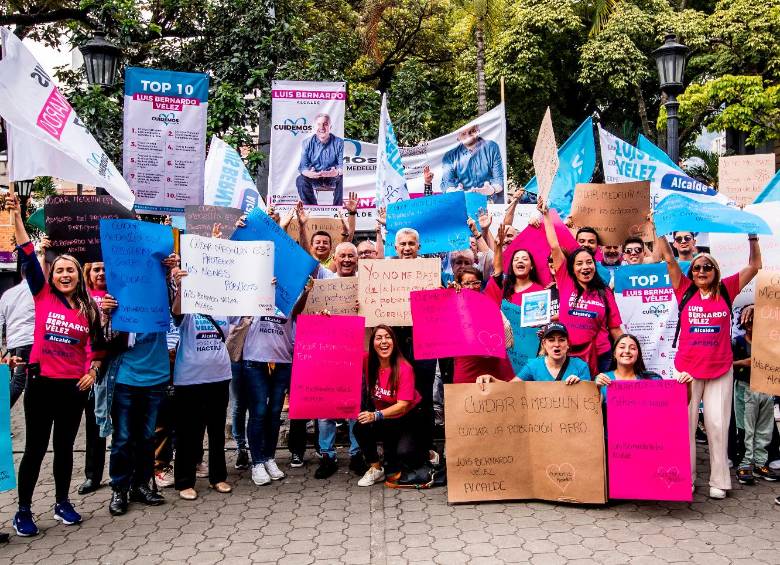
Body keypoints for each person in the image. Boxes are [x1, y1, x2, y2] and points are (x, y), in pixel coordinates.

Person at [5, 193, 104, 536]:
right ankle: (23, 511)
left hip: (73, 388)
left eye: (70, 271)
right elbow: (29, 257)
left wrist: (92, 371)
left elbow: (94, 347)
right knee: (34, 449)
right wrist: (18, 218)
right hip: (42, 383)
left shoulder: (88, 308)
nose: (65, 275)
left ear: (78, 276)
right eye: (60, 270)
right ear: (54, 275)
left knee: (64, 448)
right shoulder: (42, 294)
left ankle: (62, 503)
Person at [656, 231, 761, 499]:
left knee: (716, 424)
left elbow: (755, 266)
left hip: (720, 369)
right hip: (687, 371)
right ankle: (686, 479)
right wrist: (655, 228)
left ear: (716, 270)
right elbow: (668, 258)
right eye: (697, 267)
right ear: (691, 272)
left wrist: (752, 237)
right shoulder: (684, 288)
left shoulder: (727, 289)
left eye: (707, 267)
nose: (701, 270)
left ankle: (719, 481)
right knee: (686, 427)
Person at [170, 268, 233, 500]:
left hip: (220, 376)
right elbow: (175, 312)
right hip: (190, 379)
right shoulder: (188, 305)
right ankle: (185, 481)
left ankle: (218, 477)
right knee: (189, 433)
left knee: (217, 432)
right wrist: (181, 287)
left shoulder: (224, 306)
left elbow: (247, 310)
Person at [542, 201, 623, 374]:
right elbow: (555, 246)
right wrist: (546, 215)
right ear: (571, 268)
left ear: (595, 265)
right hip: (566, 354)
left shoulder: (605, 292)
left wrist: (627, 350)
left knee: (596, 398)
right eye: (579, 263)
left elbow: (615, 328)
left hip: (601, 355)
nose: (585, 267)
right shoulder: (565, 281)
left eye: (589, 262)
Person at [310, 243, 365, 479]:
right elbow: (310, 313)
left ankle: (356, 454)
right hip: (328, 354)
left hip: (356, 352)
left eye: (351, 256)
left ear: (357, 259)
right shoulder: (324, 282)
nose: (346, 260)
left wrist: (362, 307)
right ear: (335, 257)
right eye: (342, 255)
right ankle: (327, 455)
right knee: (326, 409)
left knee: (356, 407)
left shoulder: (365, 284)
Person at [353, 325, 426, 486]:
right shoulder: (367, 361)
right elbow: (343, 349)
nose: (384, 341)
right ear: (372, 343)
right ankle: (376, 469)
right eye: (379, 338)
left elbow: (402, 406)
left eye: (388, 337)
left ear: (394, 341)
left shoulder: (405, 368)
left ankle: (426, 452)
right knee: (360, 427)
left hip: (408, 418)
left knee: (404, 455)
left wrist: (375, 415)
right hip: (386, 418)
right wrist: (325, 320)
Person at [732, 313, 778, 485]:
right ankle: (744, 464)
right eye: (749, 324)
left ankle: (760, 463)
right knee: (746, 428)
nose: (752, 327)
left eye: (755, 323)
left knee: (765, 428)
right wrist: (743, 363)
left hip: (766, 387)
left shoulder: (768, 343)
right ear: (744, 325)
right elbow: (725, 363)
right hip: (746, 388)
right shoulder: (738, 342)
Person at [451, 267, 515, 383]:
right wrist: (445, 294)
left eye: (476, 283)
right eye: (467, 283)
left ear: (481, 284)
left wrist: (498, 249)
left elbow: (498, 272)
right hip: (466, 367)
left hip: (494, 365)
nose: (471, 287)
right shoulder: (453, 304)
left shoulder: (489, 298)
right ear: (459, 284)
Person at [78, 262, 108, 495]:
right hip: (88, 368)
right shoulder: (81, 299)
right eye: (96, 269)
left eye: (105, 269)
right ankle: (93, 475)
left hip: (116, 364)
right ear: (88, 274)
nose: (101, 273)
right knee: (94, 423)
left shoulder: (119, 295)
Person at [477, 322, 590, 385]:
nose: (556, 344)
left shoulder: (581, 366)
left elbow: (590, 400)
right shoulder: (533, 366)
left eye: (561, 340)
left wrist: (581, 385)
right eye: (551, 340)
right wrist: (492, 380)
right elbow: (510, 387)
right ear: (543, 344)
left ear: (568, 344)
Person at [440, 123, 505, 202]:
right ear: (457, 136)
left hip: (491, 203)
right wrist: (454, 191)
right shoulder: (449, 156)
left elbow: (499, 178)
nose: (468, 136)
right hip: (464, 204)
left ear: (477, 130)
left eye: (471, 131)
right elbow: (447, 182)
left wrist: (491, 189)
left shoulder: (491, 147)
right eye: (463, 133)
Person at [0, 264, 35, 407]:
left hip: (14, 343)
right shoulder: (36, 291)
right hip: (29, 341)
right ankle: (2, 415)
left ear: (21, 274)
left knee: (21, 381)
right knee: (19, 381)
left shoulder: (7, 294)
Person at [485, 225, 544, 305]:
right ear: (512, 266)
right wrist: (498, 247)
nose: (520, 261)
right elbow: (498, 271)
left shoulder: (539, 291)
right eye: (516, 259)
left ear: (531, 266)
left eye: (524, 259)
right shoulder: (504, 288)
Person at [295, 113, 344, 206]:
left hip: (333, 178)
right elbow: (303, 167)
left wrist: (336, 172)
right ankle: (312, 209)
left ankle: (337, 210)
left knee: (343, 179)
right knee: (300, 180)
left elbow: (342, 165)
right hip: (315, 178)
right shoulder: (306, 143)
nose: (322, 127)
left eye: (325, 124)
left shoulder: (339, 142)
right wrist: (309, 173)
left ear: (330, 126)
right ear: (314, 127)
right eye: (319, 124)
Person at [594, 334, 663, 395]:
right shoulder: (602, 380)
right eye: (622, 347)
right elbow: (592, 407)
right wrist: (596, 389)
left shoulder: (654, 379)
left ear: (638, 354)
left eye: (632, 348)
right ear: (614, 353)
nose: (627, 351)